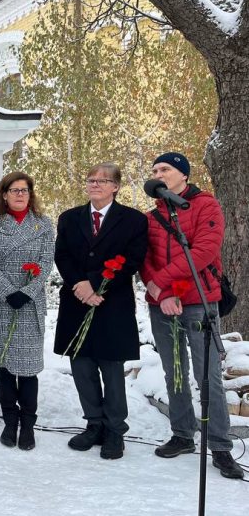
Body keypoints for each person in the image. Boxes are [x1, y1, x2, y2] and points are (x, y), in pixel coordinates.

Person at [140, 152, 243, 479]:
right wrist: (165, 293)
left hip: (200, 302)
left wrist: (166, 284)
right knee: (175, 372)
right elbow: (146, 260)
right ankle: (182, 435)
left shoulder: (206, 205)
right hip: (163, 305)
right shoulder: (150, 217)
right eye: (155, 170)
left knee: (208, 375)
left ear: (183, 175)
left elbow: (203, 251)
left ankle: (221, 446)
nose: (158, 174)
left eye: (165, 169)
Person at [52, 163, 148, 460]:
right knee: (82, 367)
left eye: (102, 181)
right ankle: (93, 424)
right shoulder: (69, 218)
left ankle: (115, 430)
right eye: (91, 179)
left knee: (111, 368)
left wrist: (95, 285)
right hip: (76, 301)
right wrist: (80, 285)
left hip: (112, 304)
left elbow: (132, 261)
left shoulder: (133, 220)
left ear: (116, 186)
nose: (94, 184)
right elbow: (62, 255)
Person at [0, 172, 54, 451]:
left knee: (29, 369)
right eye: (14, 190)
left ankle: (28, 426)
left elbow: (46, 263)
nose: (20, 194)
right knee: (6, 367)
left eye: (25, 190)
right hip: (1, 302)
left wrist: (27, 291)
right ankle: (10, 423)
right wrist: (8, 291)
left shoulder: (44, 225)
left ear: (30, 195)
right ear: (4, 194)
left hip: (29, 303)